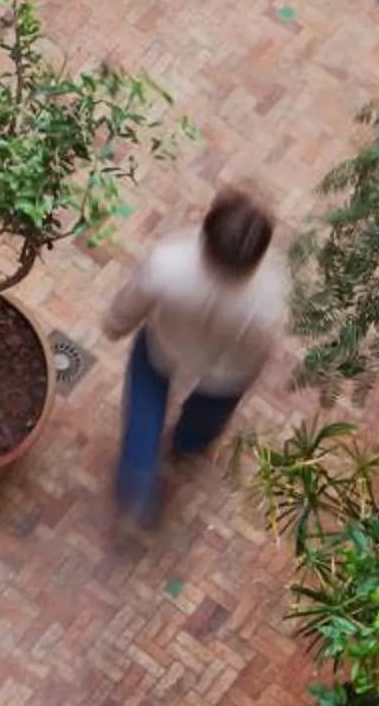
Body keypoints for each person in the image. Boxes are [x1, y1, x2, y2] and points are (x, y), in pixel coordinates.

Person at [102, 189, 289, 529]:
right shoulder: (269, 296)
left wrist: (115, 325)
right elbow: (262, 344)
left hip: (166, 344)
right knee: (208, 415)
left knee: (146, 402)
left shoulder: (169, 264)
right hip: (228, 370)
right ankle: (188, 443)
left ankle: (139, 474)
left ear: (206, 232)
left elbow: (134, 300)